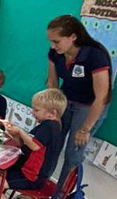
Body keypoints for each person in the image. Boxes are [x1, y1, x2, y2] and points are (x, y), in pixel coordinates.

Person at [46, 14, 112, 187]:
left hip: (89, 106)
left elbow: (101, 96)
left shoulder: (94, 55)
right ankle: (39, 185)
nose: (52, 46)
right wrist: (52, 110)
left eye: (57, 41)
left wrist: (85, 129)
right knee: (52, 143)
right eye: (50, 41)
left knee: (73, 153)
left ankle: (60, 196)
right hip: (66, 100)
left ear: (73, 36)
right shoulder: (55, 53)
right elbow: (52, 83)